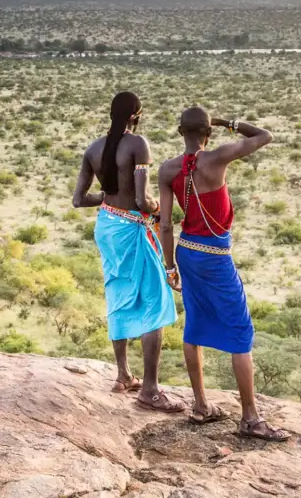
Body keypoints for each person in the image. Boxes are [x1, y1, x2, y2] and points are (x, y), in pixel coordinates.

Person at [157, 107, 291, 441]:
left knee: (196, 326)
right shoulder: (217, 158)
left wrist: (170, 265)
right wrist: (226, 122)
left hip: (187, 252)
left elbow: (166, 224)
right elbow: (263, 136)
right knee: (240, 331)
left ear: (179, 132)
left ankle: (201, 405)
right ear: (208, 133)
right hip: (215, 257)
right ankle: (249, 418)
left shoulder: (167, 169)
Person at [72, 91, 184, 414]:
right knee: (155, 299)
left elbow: (79, 200)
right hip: (132, 228)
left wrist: (109, 199)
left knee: (117, 293)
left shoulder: (93, 149)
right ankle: (149, 390)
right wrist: (162, 212)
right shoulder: (138, 145)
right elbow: (140, 200)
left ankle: (123, 374)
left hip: (107, 227)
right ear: (135, 115)